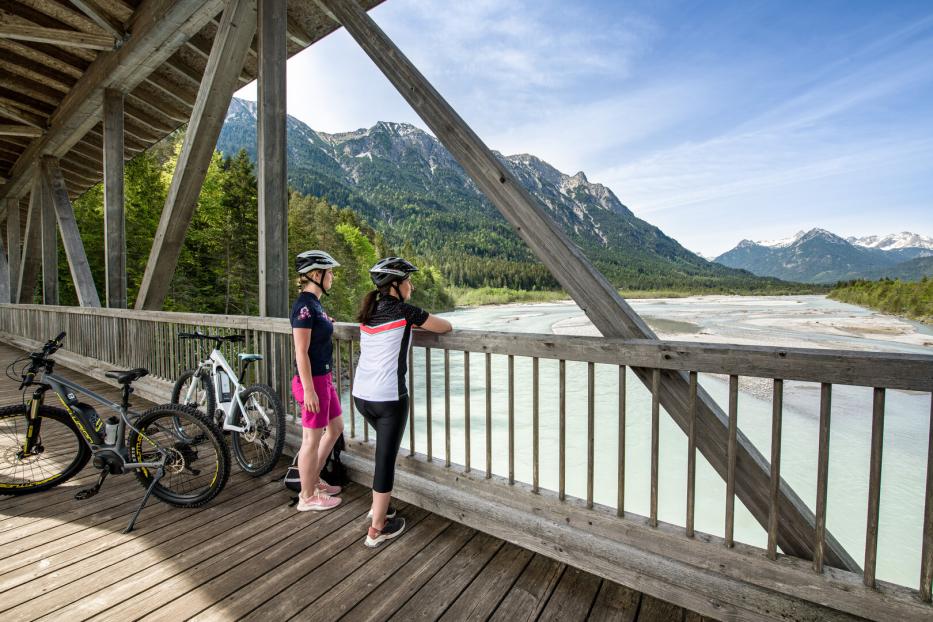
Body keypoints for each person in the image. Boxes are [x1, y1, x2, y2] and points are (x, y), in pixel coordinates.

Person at [353, 257, 452, 547]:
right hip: (389, 398)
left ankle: (378, 507)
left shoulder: (369, 313)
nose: (412, 284)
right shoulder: (405, 310)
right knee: (384, 462)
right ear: (395, 285)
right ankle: (377, 529)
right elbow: (444, 326)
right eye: (408, 280)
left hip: (361, 397)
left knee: (384, 454)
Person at [290, 250, 345, 511]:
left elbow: (317, 327)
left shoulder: (315, 305)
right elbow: (301, 351)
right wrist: (309, 390)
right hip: (313, 381)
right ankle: (307, 496)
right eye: (329, 272)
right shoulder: (303, 307)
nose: (333, 276)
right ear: (315, 274)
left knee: (335, 428)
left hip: (324, 377)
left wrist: (326, 322)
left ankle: (313, 480)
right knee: (311, 439)